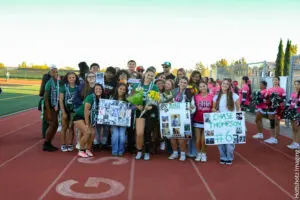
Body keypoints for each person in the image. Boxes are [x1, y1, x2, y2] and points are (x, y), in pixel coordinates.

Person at [212, 79, 241, 165]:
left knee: (229, 142)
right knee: (220, 141)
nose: (225, 85)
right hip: (220, 121)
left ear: (229, 86)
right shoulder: (216, 96)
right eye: (223, 83)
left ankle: (229, 157)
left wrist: (239, 121)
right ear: (221, 85)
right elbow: (213, 108)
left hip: (231, 122)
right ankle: (222, 157)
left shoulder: (234, 96)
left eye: (227, 84)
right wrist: (215, 111)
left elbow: (238, 108)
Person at [73, 83, 104, 157]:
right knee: (87, 132)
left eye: (100, 89)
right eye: (96, 89)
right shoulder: (90, 97)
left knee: (93, 133)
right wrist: (87, 124)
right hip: (80, 117)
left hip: (89, 118)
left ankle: (88, 149)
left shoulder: (100, 99)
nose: (98, 90)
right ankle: (81, 150)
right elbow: (86, 111)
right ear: (94, 90)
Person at [193, 81, 213, 162]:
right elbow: (193, 107)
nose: (202, 88)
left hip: (208, 121)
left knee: (204, 140)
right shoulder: (195, 97)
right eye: (200, 87)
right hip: (197, 120)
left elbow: (214, 108)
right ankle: (198, 153)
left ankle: (204, 153)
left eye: (203, 86)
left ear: (207, 86)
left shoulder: (212, 97)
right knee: (198, 140)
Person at [42, 65, 60, 151]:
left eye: (56, 71)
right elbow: (45, 98)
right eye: (53, 71)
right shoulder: (49, 83)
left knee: (55, 125)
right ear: (50, 73)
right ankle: (46, 143)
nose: (55, 73)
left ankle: (49, 142)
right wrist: (48, 111)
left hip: (55, 107)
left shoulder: (57, 82)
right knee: (52, 124)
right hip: (49, 107)